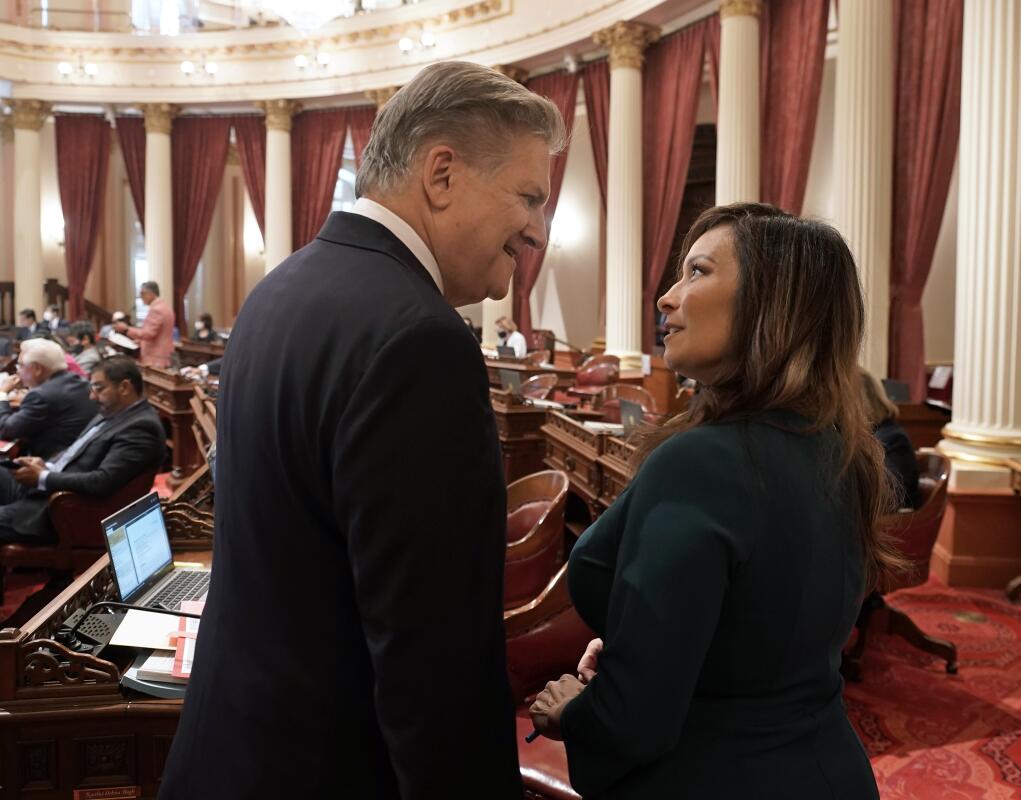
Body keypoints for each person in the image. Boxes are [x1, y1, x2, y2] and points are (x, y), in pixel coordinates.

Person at [160, 61, 565, 799]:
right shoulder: (421, 341)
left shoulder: (280, 289)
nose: (538, 230)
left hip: (230, 754)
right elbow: (433, 662)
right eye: (529, 196)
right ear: (442, 173)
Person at [529, 204, 899, 799]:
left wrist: (575, 712)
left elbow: (637, 724)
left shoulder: (702, 462)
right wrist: (646, 648)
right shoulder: (840, 451)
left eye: (697, 272)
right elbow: (762, 629)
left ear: (771, 306)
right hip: (827, 768)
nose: (666, 298)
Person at [0, 355, 165, 544]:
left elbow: (102, 481)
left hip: (62, 511)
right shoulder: (113, 411)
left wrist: (42, 477)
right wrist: (45, 466)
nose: (92, 396)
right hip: (51, 487)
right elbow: (76, 454)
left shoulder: (142, 428)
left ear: (124, 387)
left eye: (99, 388)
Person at [0, 338, 97, 459]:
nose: (18, 371)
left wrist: (2, 393)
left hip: (52, 465)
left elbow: (5, 429)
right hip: (80, 457)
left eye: (20, 365)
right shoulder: (78, 381)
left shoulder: (41, 396)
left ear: (37, 369)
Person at [861, 369, 920, 510]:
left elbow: (887, 496)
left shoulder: (894, 439)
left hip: (890, 527)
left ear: (862, 403)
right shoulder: (876, 434)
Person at [114, 282, 175, 368]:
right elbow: (158, 333)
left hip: (155, 356)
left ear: (151, 293)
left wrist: (127, 329)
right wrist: (141, 341)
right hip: (162, 353)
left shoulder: (157, 310)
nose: (140, 297)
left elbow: (149, 334)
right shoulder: (164, 306)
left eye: (143, 293)